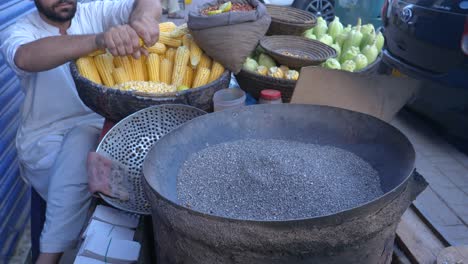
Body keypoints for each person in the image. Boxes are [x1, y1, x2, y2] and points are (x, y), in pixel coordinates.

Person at [0, 0, 161, 262]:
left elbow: (147, 2)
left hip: (103, 127)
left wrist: (143, 19)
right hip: (47, 141)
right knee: (80, 148)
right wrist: (99, 40)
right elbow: (25, 57)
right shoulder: (18, 30)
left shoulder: (93, 11)